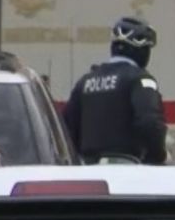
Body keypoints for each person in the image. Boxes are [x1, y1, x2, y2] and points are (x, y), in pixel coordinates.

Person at [62, 17, 166, 165]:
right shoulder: (140, 80)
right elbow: (150, 122)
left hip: (88, 170)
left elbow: (66, 129)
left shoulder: (85, 82)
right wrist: (157, 156)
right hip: (127, 168)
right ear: (142, 50)